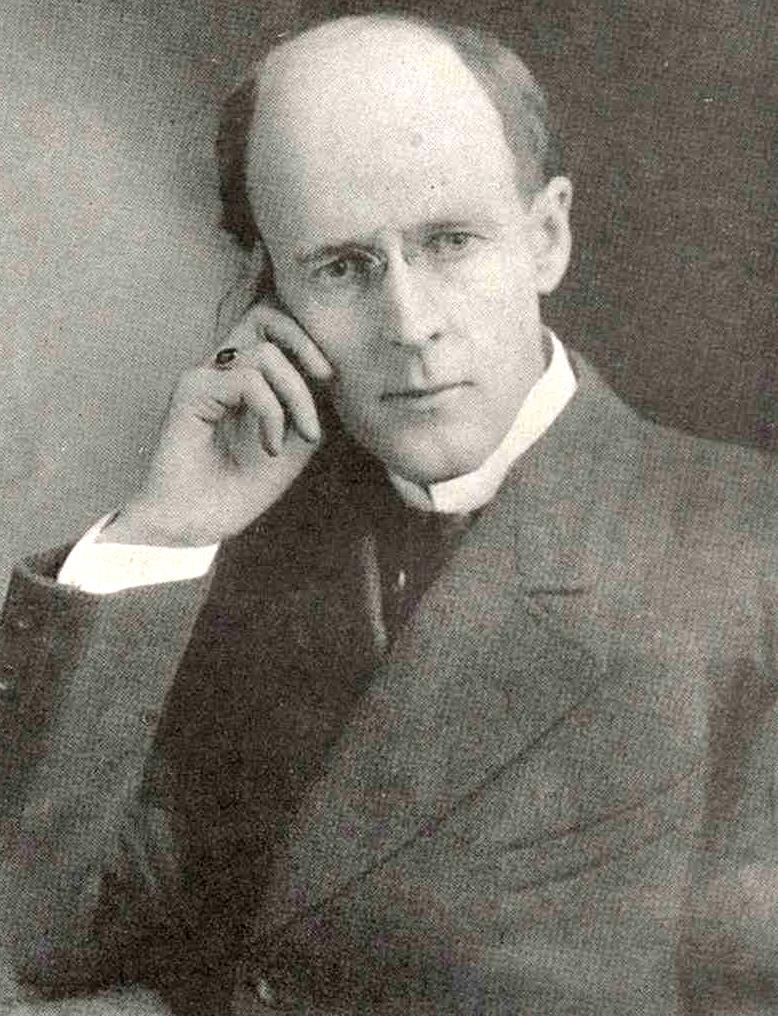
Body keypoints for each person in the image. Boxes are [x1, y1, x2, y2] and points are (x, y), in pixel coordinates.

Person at [1, 11, 777, 1016]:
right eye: (341, 267)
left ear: (546, 237)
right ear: (270, 292)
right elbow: (37, 939)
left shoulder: (747, 547)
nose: (409, 326)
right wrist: (162, 534)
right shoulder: (234, 544)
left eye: (449, 243)